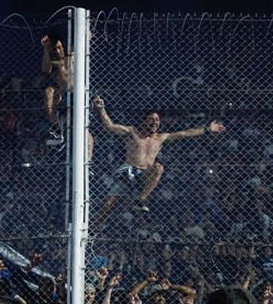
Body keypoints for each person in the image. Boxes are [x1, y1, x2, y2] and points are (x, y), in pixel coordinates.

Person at [91, 95, 225, 222]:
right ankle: (93, 228)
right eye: (152, 119)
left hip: (145, 174)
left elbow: (184, 133)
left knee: (158, 167)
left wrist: (207, 129)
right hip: (129, 170)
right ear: (144, 120)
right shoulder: (132, 132)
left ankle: (141, 199)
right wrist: (102, 109)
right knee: (109, 204)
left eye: (157, 120)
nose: (155, 122)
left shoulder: (160, 138)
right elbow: (111, 126)